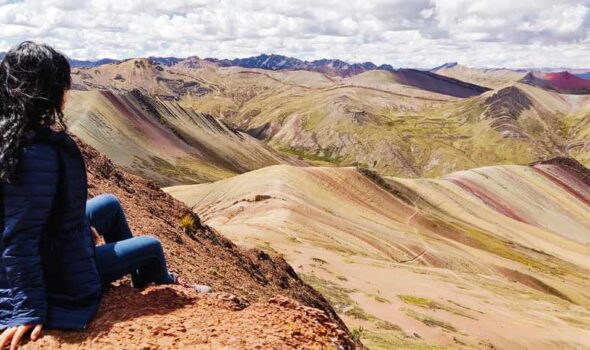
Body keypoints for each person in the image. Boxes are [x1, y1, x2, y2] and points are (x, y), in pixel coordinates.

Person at [0, 41, 210, 350]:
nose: (67, 94)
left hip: (56, 244)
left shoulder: (14, 133)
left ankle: (124, 268)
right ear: (46, 91)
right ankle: (155, 280)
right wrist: (26, 309)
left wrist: (79, 229)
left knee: (109, 204)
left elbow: (35, 210)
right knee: (151, 246)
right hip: (59, 276)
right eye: (62, 85)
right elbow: (19, 237)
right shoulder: (36, 154)